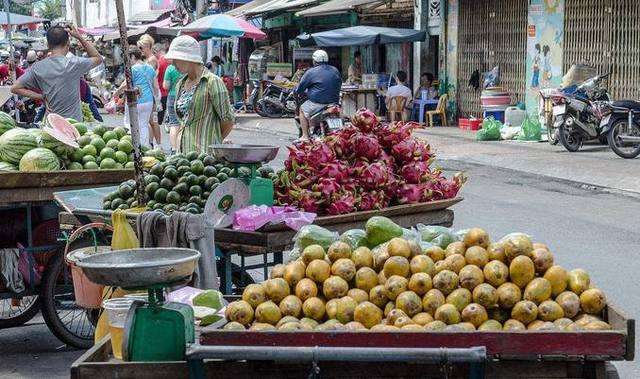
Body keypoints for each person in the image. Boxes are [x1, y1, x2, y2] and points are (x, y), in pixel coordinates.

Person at [11, 25, 102, 120]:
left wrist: (41, 97)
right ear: (68, 43)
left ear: (48, 45)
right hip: (74, 126)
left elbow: (15, 88)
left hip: (51, 126)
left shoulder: (38, 67)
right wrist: (79, 37)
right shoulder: (74, 63)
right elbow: (97, 58)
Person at [165, 35, 234, 153]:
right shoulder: (180, 84)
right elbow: (183, 122)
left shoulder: (212, 82)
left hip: (206, 160)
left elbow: (228, 121)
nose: (173, 63)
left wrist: (212, 141)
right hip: (183, 158)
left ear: (188, 58)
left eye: (176, 59)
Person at [113, 46, 158, 148]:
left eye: (128, 58)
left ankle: (133, 146)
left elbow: (125, 84)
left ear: (132, 56)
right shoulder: (150, 68)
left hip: (134, 100)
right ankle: (144, 146)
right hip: (148, 101)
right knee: (144, 124)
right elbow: (155, 86)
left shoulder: (132, 69)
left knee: (129, 123)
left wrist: (116, 93)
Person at [294, 49, 341, 140]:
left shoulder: (311, 72)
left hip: (318, 104)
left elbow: (300, 89)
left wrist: (297, 91)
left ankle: (305, 135)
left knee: (302, 110)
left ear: (314, 61)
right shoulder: (335, 70)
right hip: (334, 103)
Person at [137, 34, 162, 146]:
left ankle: (158, 144)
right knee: (150, 120)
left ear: (148, 46)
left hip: (152, 92)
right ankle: (151, 143)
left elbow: (151, 80)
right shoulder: (148, 59)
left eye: (141, 47)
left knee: (153, 121)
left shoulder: (151, 60)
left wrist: (156, 97)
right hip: (151, 92)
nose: (140, 50)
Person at [163, 63, 182, 153]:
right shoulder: (188, 68)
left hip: (172, 96)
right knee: (184, 123)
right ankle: (181, 148)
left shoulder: (170, 68)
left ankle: (174, 149)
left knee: (174, 123)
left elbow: (166, 86)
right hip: (185, 95)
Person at [154, 42, 169, 128]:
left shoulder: (159, 62)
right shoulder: (171, 61)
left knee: (158, 116)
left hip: (160, 91)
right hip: (169, 91)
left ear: (157, 51)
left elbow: (155, 77)